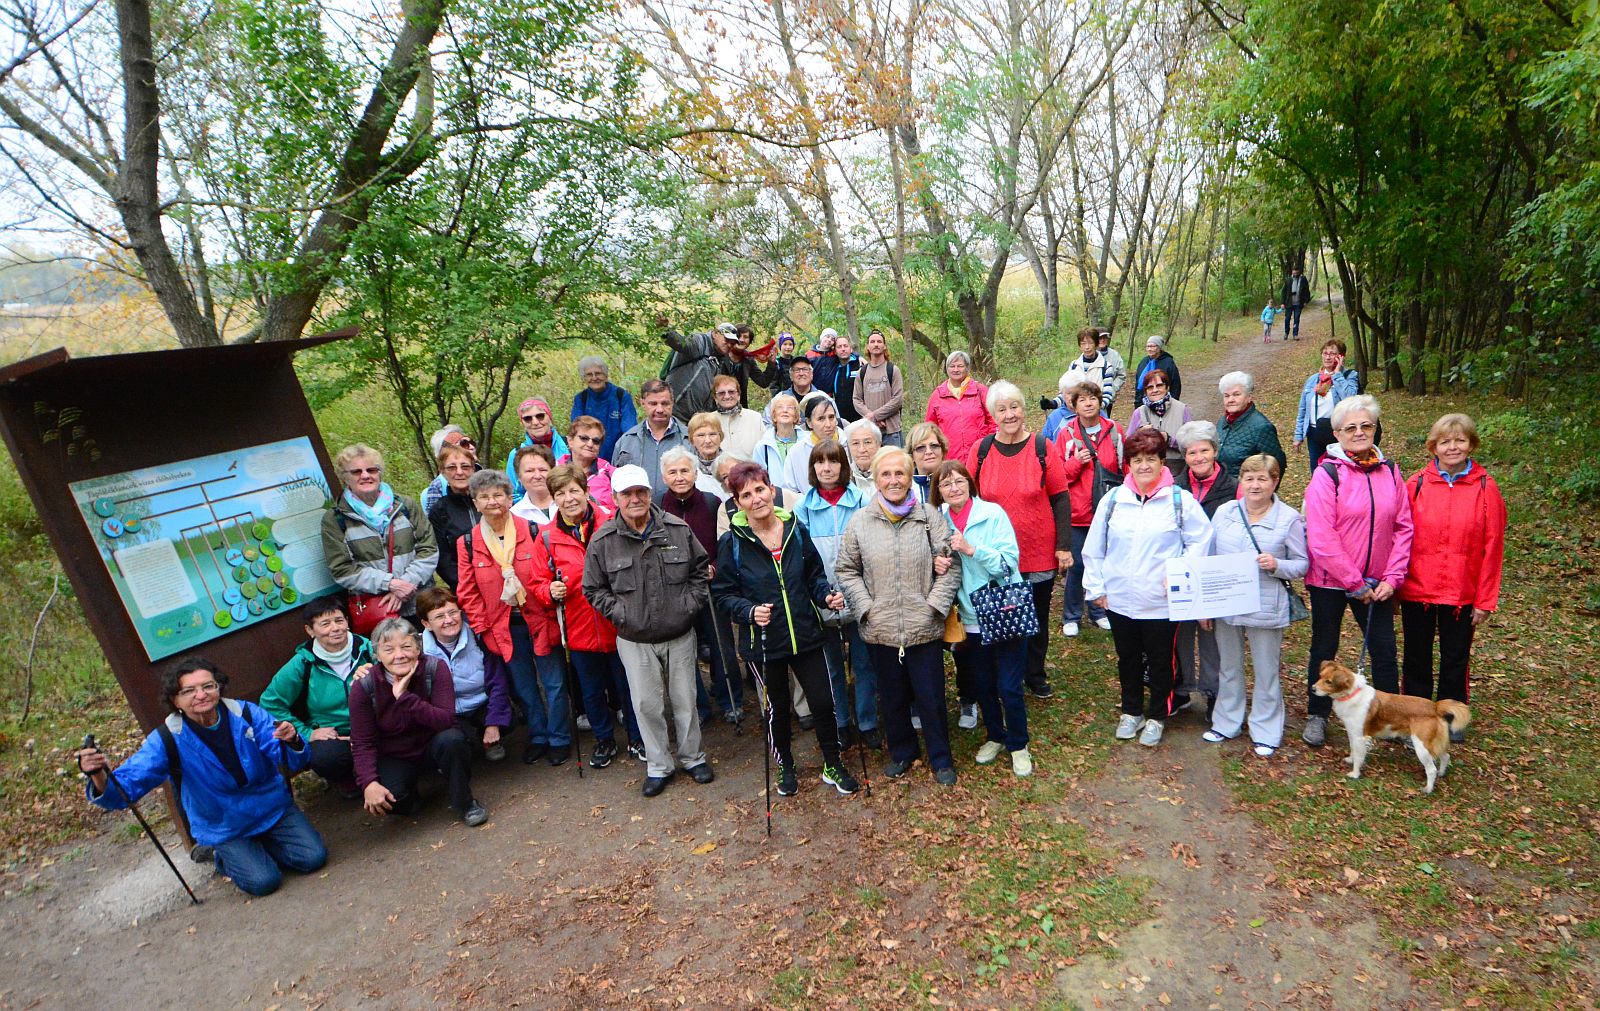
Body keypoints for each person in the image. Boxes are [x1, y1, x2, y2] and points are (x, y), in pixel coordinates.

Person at [78, 657, 326, 896]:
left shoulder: (246, 714)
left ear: (219, 688)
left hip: (271, 808)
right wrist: (98, 775)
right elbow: (126, 788)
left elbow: (291, 756)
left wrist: (292, 739)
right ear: (175, 699)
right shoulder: (167, 739)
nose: (201, 695)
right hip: (223, 824)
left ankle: (256, 848)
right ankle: (222, 854)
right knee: (264, 882)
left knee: (313, 858)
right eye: (189, 691)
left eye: (208, 686)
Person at [714, 462, 861, 796]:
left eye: (760, 489)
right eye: (746, 494)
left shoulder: (795, 527)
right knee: (777, 710)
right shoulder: (732, 543)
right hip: (764, 640)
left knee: (824, 702)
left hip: (807, 633)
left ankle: (832, 763)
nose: (756, 499)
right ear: (737, 502)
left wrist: (826, 595)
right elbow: (722, 595)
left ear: (771, 490)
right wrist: (749, 611)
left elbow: (813, 576)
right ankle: (786, 765)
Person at [583, 464, 716, 797]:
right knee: (645, 705)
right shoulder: (603, 541)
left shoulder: (676, 529)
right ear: (615, 498)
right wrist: (621, 614)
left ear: (649, 493)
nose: (635, 499)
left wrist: (688, 605)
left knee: (686, 701)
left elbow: (701, 571)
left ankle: (692, 758)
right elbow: (593, 589)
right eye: (626, 494)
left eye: (640, 491)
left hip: (679, 633)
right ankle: (659, 766)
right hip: (634, 639)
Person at [836, 446, 963, 786]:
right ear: (875, 479)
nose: (894, 480)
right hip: (881, 628)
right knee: (891, 697)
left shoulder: (929, 517)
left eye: (900, 473)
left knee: (931, 697)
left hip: (924, 627)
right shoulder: (860, 522)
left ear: (910, 478)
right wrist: (866, 609)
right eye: (886, 474)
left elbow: (950, 564)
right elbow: (847, 570)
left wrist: (933, 606)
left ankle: (941, 758)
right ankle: (903, 751)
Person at [1083, 427, 1214, 747]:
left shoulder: (1179, 501)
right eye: (1137, 460)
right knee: (1126, 658)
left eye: (1151, 459)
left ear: (1162, 462)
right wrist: (1097, 587)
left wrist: (1180, 574)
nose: (1144, 466)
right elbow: (1094, 547)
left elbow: (1201, 539)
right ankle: (1131, 711)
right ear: (1128, 463)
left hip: (1160, 601)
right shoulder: (1114, 500)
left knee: (1160, 661)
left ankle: (1157, 714)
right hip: (1119, 599)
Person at [1301, 394, 1413, 748]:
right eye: (1351, 427)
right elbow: (1321, 535)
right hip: (1330, 582)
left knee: (1383, 650)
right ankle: (1317, 714)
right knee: (1324, 646)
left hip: (1378, 583)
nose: (1360, 432)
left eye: (1366, 426)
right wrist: (1353, 581)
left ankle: (1390, 719)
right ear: (1336, 433)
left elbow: (1403, 527)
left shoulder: (1391, 470)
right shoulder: (1327, 473)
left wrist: (1392, 578)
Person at [528, 463, 645, 767]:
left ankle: (637, 738)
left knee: (629, 686)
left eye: (573, 490)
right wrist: (548, 591)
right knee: (591, 693)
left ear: (585, 490)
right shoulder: (546, 538)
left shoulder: (611, 521)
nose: (568, 498)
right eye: (561, 493)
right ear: (553, 498)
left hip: (618, 624)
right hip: (578, 629)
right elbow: (536, 583)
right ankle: (604, 741)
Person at [455, 469, 571, 766]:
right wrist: (483, 629)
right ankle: (538, 736)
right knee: (523, 686)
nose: (492, 501)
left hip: (540, 619)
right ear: (475, 502)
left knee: (554, 682)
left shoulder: (535, 531)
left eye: (498, 495)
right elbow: (467, 592)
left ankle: (559, 737)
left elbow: (550, 572)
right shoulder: (468, 543)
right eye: (484, 496)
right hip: (502, 627)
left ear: (510, 498)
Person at [1400, 414, 1506, 735]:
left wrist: (1485, 600)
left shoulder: (1486, 487)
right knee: (1416, 657)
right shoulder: (1416, 484)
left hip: (1462, 592)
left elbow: (1493, 547)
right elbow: (1399, 539)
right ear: (1434, 446)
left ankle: (1452, 717)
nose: (1452, 447)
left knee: (1455, 658)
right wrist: (1394, 588)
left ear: (1471, 444)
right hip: (1417, 589)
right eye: (1445, 441)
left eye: (1460, 440)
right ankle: (1417, 718)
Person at [965, 381, 1072, 699]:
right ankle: (1004, 675)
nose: (1009, 414)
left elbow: (1061, 498)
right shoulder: (981, 451)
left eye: (1015, 407)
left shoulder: (1042, 447)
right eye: (1002, 409)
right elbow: (967, 497)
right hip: (995, 555)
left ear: (1024, 410)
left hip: (1037, 548)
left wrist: (1063, 546)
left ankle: (1034, 673)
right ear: (992, 414)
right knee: (1001, 613)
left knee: (1036, 616)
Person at [932, 460, 1033, 777]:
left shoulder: (992, 514)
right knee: (984, 684)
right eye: (946, 484)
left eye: (959, 481)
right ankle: (996, 736)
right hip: (969, 617)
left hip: (1002, 609)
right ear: (939, 491)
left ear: (969, 483)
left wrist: (972, 549)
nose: (954, 488)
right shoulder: (941, 521)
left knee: (1009, 685)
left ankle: (1019, 744)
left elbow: (1009, 562)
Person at [1205, 454, 1308, 757]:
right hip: (1228, 603)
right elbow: (1209, 557)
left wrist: (1277, 565)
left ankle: (1266, 730)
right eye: (1249, 478)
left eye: (1262, 478)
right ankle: (1226, 722)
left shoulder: (1288, 518)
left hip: (1266, 605)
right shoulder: (1225, 512)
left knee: (1266, 671)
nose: (1255, 484)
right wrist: (1206, 602)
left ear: (1275, 481)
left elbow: (1302, 564)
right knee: (1229, 667)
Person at [350, 618, 488, 826]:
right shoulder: (364, 685)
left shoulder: (434, 668)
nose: (399, 655)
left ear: (418, 648)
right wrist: (368, 783)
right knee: (390, 798)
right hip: (394, 755)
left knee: (453, 739)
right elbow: (362, 741)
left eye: (406, 646)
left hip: (433, 743)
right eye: (389, 650)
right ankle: (412, 797)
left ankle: (465, 802)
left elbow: (446, 720)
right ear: (377, 654)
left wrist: (405, 698)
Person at [794, 439, 881, 748]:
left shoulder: (860, 500)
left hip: (858, 598)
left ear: (843, 466)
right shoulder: (802, 507)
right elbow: (803, 559)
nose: (827, 468)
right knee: (831, 669)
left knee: (864, 664)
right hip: (822, 600)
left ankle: (867, 721)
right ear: (813, 468)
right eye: (820, 462)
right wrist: (823, 594)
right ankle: (841, 722)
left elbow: (870, 551)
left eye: (833, 461)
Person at [657, 447, 745, 726]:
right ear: (664, 476)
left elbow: (724, 543)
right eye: (673, 472)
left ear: (695, 473)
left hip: (710, 584)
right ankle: (698, 707)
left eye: (685, 470)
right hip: (675, 590)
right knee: (684, 651)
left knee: (721, 644)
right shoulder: (658, 506)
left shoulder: (711, 503)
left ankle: (731, 699)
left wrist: (715, 568)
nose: (680, 477)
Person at [260, 597, 375, 795]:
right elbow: (269, 704)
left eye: (339, 620)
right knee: (326, 757)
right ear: (310, 630)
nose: (335, 628)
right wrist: (307, 732)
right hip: (337, 735)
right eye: (325, 623)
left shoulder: (368, 650)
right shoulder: (301, 664)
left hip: (377, 723)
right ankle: (348, 781)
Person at [321, 444, 439, 622]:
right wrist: (390, 584)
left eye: (371, 470)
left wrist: (406, 585)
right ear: (344, 477)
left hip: (422, 602)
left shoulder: (405, 506)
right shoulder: (335, 520)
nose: (365, 475)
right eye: (356, 472)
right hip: (378, 610)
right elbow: (342, 569)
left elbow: (429, 548)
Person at [1171, 420, 1238, 712]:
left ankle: (1214, 692)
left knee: (1212, 637)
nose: (1198, 458)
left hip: (1217, 572)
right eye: (1191, 453)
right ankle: (1182, 689)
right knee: (1182, 634)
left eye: (1204, 451)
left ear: (1215, 451)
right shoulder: (1176, 487)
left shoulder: (1233, 487)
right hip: (1185, 570)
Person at [1054, 381, 1123, 637]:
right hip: (1077, 512)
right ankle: (1071, 616)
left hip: (1106, 510)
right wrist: (1076, 463)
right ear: (1074, 405)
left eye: (1092, 397)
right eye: (1082, 400)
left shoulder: (1114, 431)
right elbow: (1057, 476)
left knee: (1104, 564)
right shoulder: (1066, 435)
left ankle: (1099, 611)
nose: (1088, 403)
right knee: (1078, 565)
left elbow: (1123, 467)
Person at [417, 585, 512, 762]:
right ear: (426, 624)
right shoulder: (418, 651)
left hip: (480, 703)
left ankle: (490, 739)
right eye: (439, 616)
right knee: (456, 741)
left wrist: (493, 723)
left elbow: (498, 682)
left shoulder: (479, 637)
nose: (449, 620)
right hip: (448, 711)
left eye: (453, 612)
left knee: (507, 719)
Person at [1293, 340, 1361, 470]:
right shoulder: (1313, 380)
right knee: (1317, 472)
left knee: (1340, 472)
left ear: (1341, 356)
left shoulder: (1349, 376)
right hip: (1314, 434)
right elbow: (1303, 410)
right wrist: (1298, 436)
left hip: (1338, 434)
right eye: (1325, 353)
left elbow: (1350, 398)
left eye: (1332, 353)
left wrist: (1337, 374)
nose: (1328, 357)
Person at [611, 379, 689, 491]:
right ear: (643, 403)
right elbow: (615, 482)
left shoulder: (689, 438)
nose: (660, 409)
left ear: (673, 403)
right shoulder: (626, 442)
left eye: (665, 403)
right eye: (653, 403)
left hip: (680, 507)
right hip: (638, 506)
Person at [426, 439, 479, 592]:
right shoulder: (439, 511)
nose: (459, 472)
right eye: (452, 467)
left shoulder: (489, 501)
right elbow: (442, 558)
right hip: (465, 588)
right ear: (442, 471)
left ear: (473, 469)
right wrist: (465, 586)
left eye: (465, 466)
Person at [659, 315, 736, 420]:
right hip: (674, 413)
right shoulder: (699, 341)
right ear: (715, 333)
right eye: (727, 339)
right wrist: (666, 330)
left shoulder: (722, 360)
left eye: (732, 343)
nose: (729, 345)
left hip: (696, 420)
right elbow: (680, 343)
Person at [924, 351, 995, 462]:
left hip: (980, 455)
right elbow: (930, 428)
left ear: (967, 368)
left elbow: (994, 420)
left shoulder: (980, 391)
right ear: (947, 369)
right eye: (952, 366)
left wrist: (988, 444)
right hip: (949, 458)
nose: (956, 369)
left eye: (960, 366)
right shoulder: (937, 395)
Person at [1215, 372, 1287, 478]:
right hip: (1222, 488)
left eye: (1236, 394)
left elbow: (1277, 464)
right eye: (1226, 396)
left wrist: (1265, 491)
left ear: (1249, 397)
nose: (1230, 400)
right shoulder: (1223, 421)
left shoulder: (1261, 427)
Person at [571, 356, 636, 461]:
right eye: (589, 375)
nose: (594, 378)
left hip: (617, 456)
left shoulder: (621, 396)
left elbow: (629, 430)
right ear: (584, 378)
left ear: (605, 375)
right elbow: (577, 430)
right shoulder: (581, 399)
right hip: (589, 456)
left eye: (598, 373)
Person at [1125, 369, 1191, 471]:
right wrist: (1139, 435)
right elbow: (1127, 446)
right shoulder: (1139, 412)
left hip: (1178, 469)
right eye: (1150, 387)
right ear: (1145, 391)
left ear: (1167, 387)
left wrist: (1169, 440)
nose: (1155, 390)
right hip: (1148, 469)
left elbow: (1191, 444)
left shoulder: (1183, 409)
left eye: (1159, 385)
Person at [505, 397, 571, 498]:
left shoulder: (571, 445)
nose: (535, 422)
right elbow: (514, 494)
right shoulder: (516, 454)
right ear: (522, 423)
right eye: (528, 418)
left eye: (540, 416)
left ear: (550, 416)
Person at [853, 329, 905, 446]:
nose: (876, 344)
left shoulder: (893, 370)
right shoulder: (862, 372)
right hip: (870, 433)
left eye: (879, 341)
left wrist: (875, 416)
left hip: (891, 432)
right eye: (872, 341)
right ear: (868, 347)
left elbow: (897, 399)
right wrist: (871, 418)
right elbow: (856, 399)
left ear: (884, 346)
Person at [783, 393, 841, 493]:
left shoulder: (848, 444)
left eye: (831, 417)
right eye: (821, 419)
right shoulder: (797, 452)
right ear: (809, 422)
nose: (828, 424)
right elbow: (789, 491)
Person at [561, 415, 616, 511]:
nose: (590, 444)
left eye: (596, 441)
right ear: (570, 441)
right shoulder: (554, 470)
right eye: (584, 438)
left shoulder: (611, 474)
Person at [419, 426, 479, 515]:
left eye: (472, 442)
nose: (471, 447)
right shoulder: (435, 490)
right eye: (464, 443)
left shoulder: (483, 474)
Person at [1062, 328, 1117, 412]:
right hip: (1075, 414)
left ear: (1096, 344)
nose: (1087, 347)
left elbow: (1108, 394)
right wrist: (1052, 403)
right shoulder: (1074, 365)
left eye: (1090, 343)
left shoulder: (1106, 367)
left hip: (1098, 414)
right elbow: (1067, 391)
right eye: (1083, 344)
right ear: (1080, 346)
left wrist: (1095, 408)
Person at [754, 392, 803, 486]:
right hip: (775, 497)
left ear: (796, 416)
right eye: (780, 407)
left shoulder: (807, 443)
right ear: (774, 416)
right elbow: (758, 479)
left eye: (790, 407)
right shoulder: (762, 446)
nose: (785, 410)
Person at [711, 373, 764, 459]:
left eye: (731, 392)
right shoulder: (709, 420)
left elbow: (764, 451)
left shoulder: (755, 418)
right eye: (721, 393)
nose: (727, 396)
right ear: (715, 398)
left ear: (738, 395)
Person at [726, 323, 778, 405]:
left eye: (745, 337)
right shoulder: (720, 356)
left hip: (740, 408)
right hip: (716, 409)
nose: (741, 340)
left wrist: (771, 363)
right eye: (738, 336)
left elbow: (763, 382)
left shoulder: (748, 360)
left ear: (749, 342)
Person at [510, 444, 559, 526]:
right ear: (519, 477)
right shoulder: (514, 515)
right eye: (530, 471)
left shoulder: (571, 503)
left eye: (543, 470)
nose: (537, 476)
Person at [687, 412, 731, 500]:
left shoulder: (732, 464)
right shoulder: (688, 468)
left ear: (720, 436)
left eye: (712, 434)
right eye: (701, 435)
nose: (708, 440)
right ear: (692, 440)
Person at [764, 356, 818, 424]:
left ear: (812, 374)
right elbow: (766, 423)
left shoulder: (822, 398)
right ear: (791, 376)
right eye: (797, 370)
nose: (801, 373)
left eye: (805, 369)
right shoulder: (779, 398)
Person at [827, 332, 864, 423]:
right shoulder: (832, 367)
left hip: (860, 418)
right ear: (835, 351)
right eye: (839, 347)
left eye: (845, 346)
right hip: (841, 420)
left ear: (851, 349)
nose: (843, 349)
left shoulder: (860, 365)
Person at [907, 421, 948, 502]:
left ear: (942, 451)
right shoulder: (905, 489)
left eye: (934, 446)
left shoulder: (957, 483)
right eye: (921, 448)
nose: (929, 451)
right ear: (912, 456)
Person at [1132, 335, 1182, 403]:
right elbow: (1138, 385)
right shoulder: (1143, 362)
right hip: (1144, 402)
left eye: (1152, 346)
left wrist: (1173, 403)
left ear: (1159, 347)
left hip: (1163, 402)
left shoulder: (1168, 362)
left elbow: (1175, 385)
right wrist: (1137, 402)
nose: (1149, 349)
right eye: (1148, 346)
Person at [843, 418, 882, 496]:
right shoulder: (843, 477)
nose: (862, 449)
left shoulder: (891, 474)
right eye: (855, 443)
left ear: (879, 445)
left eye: (867, 442)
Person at [1280, 265, 1312, 339]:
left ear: (1299, 272)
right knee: (1287, 318)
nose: (1295, 275)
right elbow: (1283, 291)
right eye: (1294, 273)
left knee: (1296, 318)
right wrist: (1282, 303)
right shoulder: (1288, 280)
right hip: (1289, 303)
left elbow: (1307, 290)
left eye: (1297, 273)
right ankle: (1286, 332)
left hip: (1298, 303)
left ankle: (1295, 334)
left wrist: (1306, 301)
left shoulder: (1303, 279)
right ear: (1292, 272)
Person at [1096, 329, 1127, 405]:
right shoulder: (1089, 356)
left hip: (1109, 398)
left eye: (1105, 338)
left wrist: (1113, 388)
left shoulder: (1115, 355)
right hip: (1092, 398)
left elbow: (1121, 375)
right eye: (1100, 338)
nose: (1102, 340)